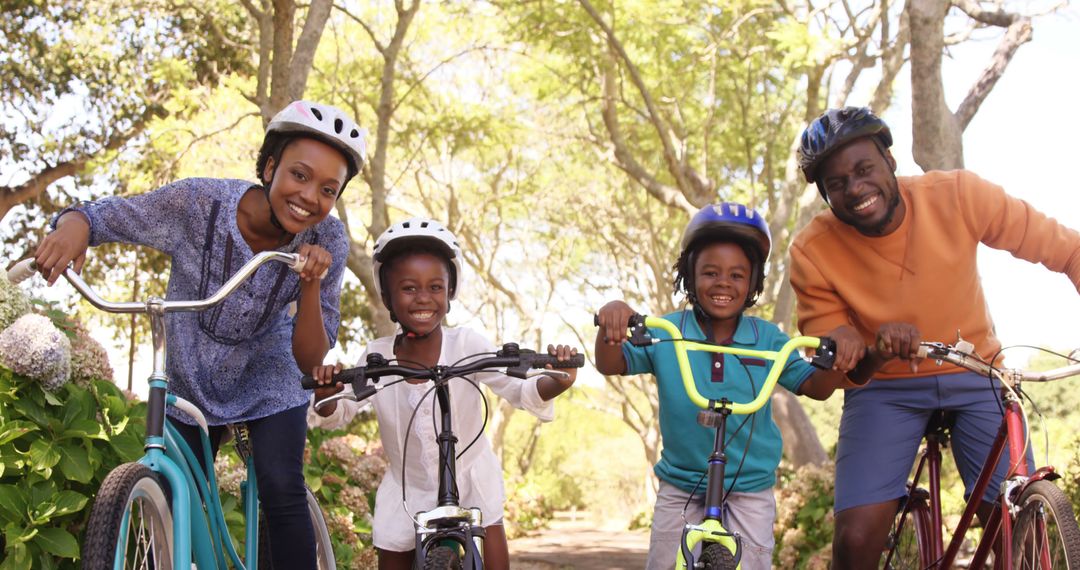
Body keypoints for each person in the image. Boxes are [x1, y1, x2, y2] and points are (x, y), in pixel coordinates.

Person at [33, 100, 365, 569]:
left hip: (270, 370)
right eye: (299, 175)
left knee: (279, 483)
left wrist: (310, 282)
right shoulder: (198, 204)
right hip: (189, 367)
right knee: (169, 493)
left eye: (328, 189)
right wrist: (75, 226)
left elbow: (311, 355)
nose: (311, 196)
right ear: (270, 168)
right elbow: (107, 216)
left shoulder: (327, 239)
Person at [790, 106, 1080, 568]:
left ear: (889, 159)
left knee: (1012, 524)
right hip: (884, 389)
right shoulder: (811, 250)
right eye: (836, 184)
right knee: (856, 543)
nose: (854, 189)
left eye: (864, 169)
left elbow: (1067, 250)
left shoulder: (959, 195)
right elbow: (839, 356)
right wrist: (871, 351)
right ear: (824, 194)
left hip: (977, 372)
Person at [594, 202, 882, 570]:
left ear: (753, 284)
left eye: (737, 275)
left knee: (754, 562)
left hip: (750, 486)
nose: (723, 284)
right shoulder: (669, 331)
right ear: (690, 276)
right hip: (682, 482)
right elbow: (611, 363)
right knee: (666, 562)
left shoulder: (768, 340)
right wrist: (613, 322)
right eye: (710, 273)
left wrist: (836, 359)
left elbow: (815, 386)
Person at [308, 217, 579, 570]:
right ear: (388, 296)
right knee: (392, 559)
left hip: (470, 480)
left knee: (493, 546)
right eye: (408, 288)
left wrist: (558, 379)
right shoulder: (377, 357)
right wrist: (329, 394)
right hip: (408, 489)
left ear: (450, 293)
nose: (424, 297)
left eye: (435, 287)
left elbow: (519, 388)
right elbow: (339, 410)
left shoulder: (466, 344)